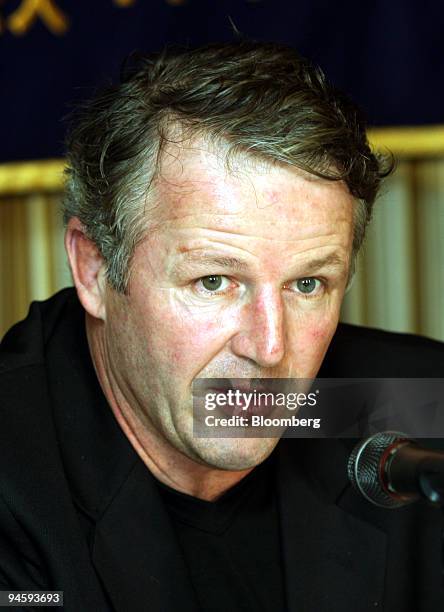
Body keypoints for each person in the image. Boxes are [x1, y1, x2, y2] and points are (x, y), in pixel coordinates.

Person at [1, 42, 444, 612]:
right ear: (94, 269)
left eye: (307, 285)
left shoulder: (417, 409)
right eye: (214, 281)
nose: (269, 348)